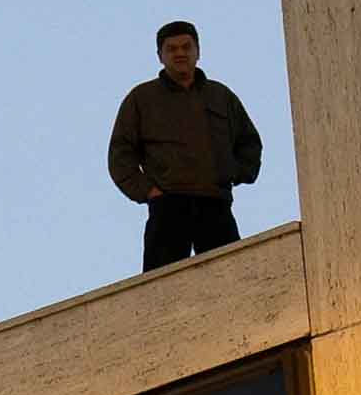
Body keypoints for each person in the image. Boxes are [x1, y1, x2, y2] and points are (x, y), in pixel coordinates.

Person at [108, 20, 264, 272]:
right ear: (160, 56)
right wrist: (147, 191)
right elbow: (120, 154)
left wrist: (234, 173)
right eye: (171, 49)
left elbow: (249, 142)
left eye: (186, 47)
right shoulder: (142, 99)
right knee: (162, 290)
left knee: (232, 281)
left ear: (198, 52)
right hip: (168, 207)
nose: (180, 53)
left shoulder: (221, 96)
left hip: (215, 204)